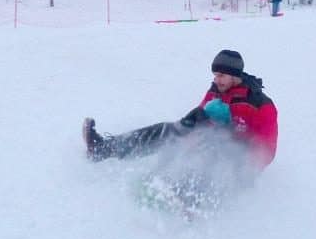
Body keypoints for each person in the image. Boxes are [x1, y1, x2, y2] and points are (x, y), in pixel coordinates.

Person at [83, 49, 278, 182]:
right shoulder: (216, 91)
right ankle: (103, 149)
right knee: (168, 130)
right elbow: (201, 119)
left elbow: (266, 151)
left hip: (239, 165)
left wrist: (234, 140)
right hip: (213, 147)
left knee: (214, 148)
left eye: (221, 75)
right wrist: (191, 124)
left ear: (235, 76)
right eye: (214, 75)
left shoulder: (259, 104)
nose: (216, 79)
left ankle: (192, 198)